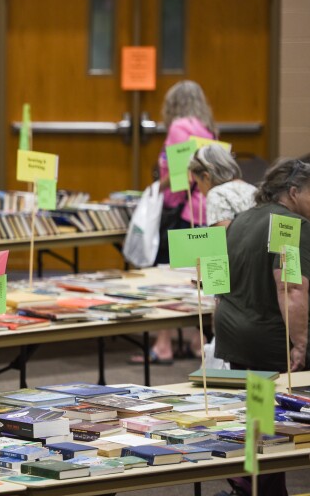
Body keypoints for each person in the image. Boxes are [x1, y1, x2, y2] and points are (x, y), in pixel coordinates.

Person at [214, 158, 310, 496]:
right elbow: (291, 288)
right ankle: (252, 484)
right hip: (270, 340)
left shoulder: (240, 219)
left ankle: (251, 482)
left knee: (258, 411)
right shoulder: (291, 225)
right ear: (294, 191)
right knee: (280, 417)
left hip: (235, 332)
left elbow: (218, 277)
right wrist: (300, 343)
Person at [132, 80, 217, 365]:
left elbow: (183, 174)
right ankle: (199, 341)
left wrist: (156, 187)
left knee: (167, 277)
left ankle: (164, 343)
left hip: (181, 214)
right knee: (199, 279)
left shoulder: (179, 128)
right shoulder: (208, 131)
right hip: (205, 213)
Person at [187, 144, 257, 227]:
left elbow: (224, 237)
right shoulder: (253, 189)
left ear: (206, 177)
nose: (198, 187)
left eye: (197, 182)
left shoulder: (216, 195)